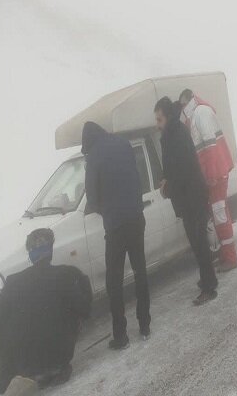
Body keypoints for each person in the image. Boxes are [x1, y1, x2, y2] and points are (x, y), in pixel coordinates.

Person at [0, 228, 92, 394]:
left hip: (23, 368)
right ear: (50, 251)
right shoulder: (66, 274)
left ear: (30, 254)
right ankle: (55, 365)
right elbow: (85, 309)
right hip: (58, 363)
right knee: (72, 305)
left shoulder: (12, 282)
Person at [82, 121, 150, 350]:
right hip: (136, 217)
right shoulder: (123, 143)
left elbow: (91, 198)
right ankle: (145, 326)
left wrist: (105, 209)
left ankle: (120, 336)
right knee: (140, 271)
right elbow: (135, 176)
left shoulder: (92, 157)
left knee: (114, 281)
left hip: (116, 226)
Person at [155, 97, 218, 305]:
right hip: (187, 196)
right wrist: (166, 179)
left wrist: (168, 187)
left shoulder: (177, 135)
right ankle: (207, 278)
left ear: (168, 116)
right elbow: (172, 167)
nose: (158, 124)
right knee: (196, 242)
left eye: (159, 119)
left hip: (192, 196)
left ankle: (210, 288)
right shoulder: (171, 134)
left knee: (199, 242)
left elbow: (183, 169)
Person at [179, 89, 237, 273]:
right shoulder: (197, 114)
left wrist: (211, 176)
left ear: (188, 101)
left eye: (182, 105)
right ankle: (224, 254)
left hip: (216, 175)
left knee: (220, 215)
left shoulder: (200, 114)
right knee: (218, 214)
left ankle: (230, 257)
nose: (181, 109)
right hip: (215, 173)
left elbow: (210, 147)